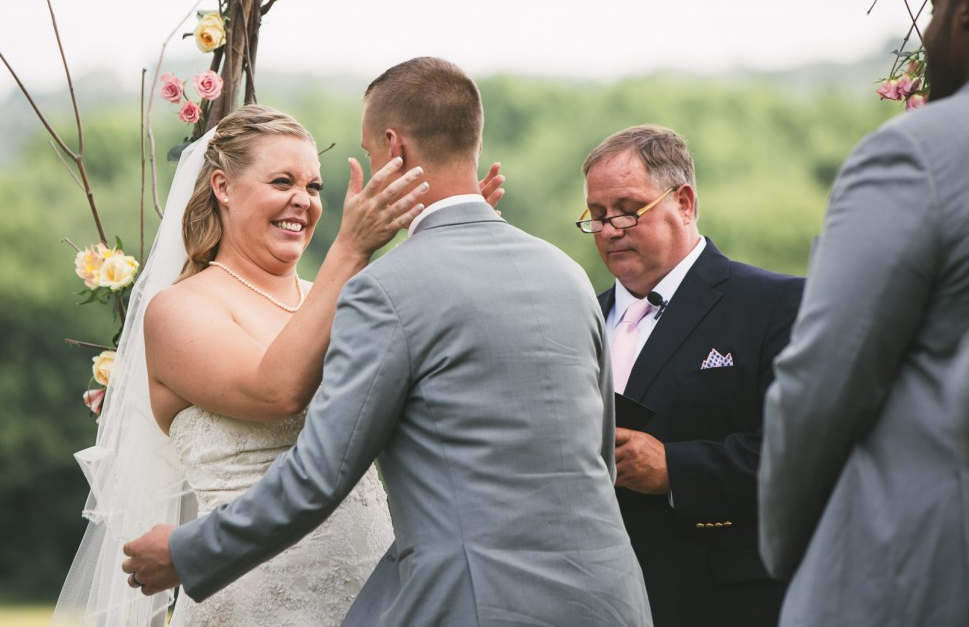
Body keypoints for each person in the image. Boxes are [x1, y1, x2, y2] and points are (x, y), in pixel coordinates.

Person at [123, 56, 654, 626]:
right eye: (283, 181)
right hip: (608, 598)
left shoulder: (383, 290)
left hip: (467, 601)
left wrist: (187, 552)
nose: (308, 198)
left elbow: (318, 473)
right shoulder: (568, 275)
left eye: (322, 180)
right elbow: (595, 459)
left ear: (394, 148)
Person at [53, 103, 505, 625]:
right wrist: (351, 249)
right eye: (283, 181)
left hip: (381, 599)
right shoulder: (178, 310)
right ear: (222, 186)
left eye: (314, 188)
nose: (303, 201)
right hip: (254, 600)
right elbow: (278, 391)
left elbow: (427, 404)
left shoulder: (340, 297)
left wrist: (457, 248)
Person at [757, 0, 969, 625]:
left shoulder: (918, 154)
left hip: (912, 571)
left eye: (934, 10)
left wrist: (786, 552)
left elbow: (822, 382)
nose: (926, 33)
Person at [578, 124, 804, 626]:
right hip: (595, 600)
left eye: (627, 209)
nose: (610, 228)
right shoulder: (578, 319)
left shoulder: (775, 304)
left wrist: (674, 471)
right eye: (596, 216)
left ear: (683, 201)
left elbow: (806, 454)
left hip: (725, 602)